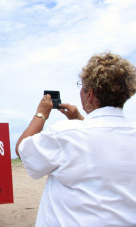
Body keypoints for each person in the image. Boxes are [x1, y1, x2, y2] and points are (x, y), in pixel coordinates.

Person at [16, 51, 136, 226]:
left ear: (90, 94)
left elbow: (22, 149)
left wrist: (41, 114)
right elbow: (102, 137)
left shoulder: (65, 134)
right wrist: (80, 118)